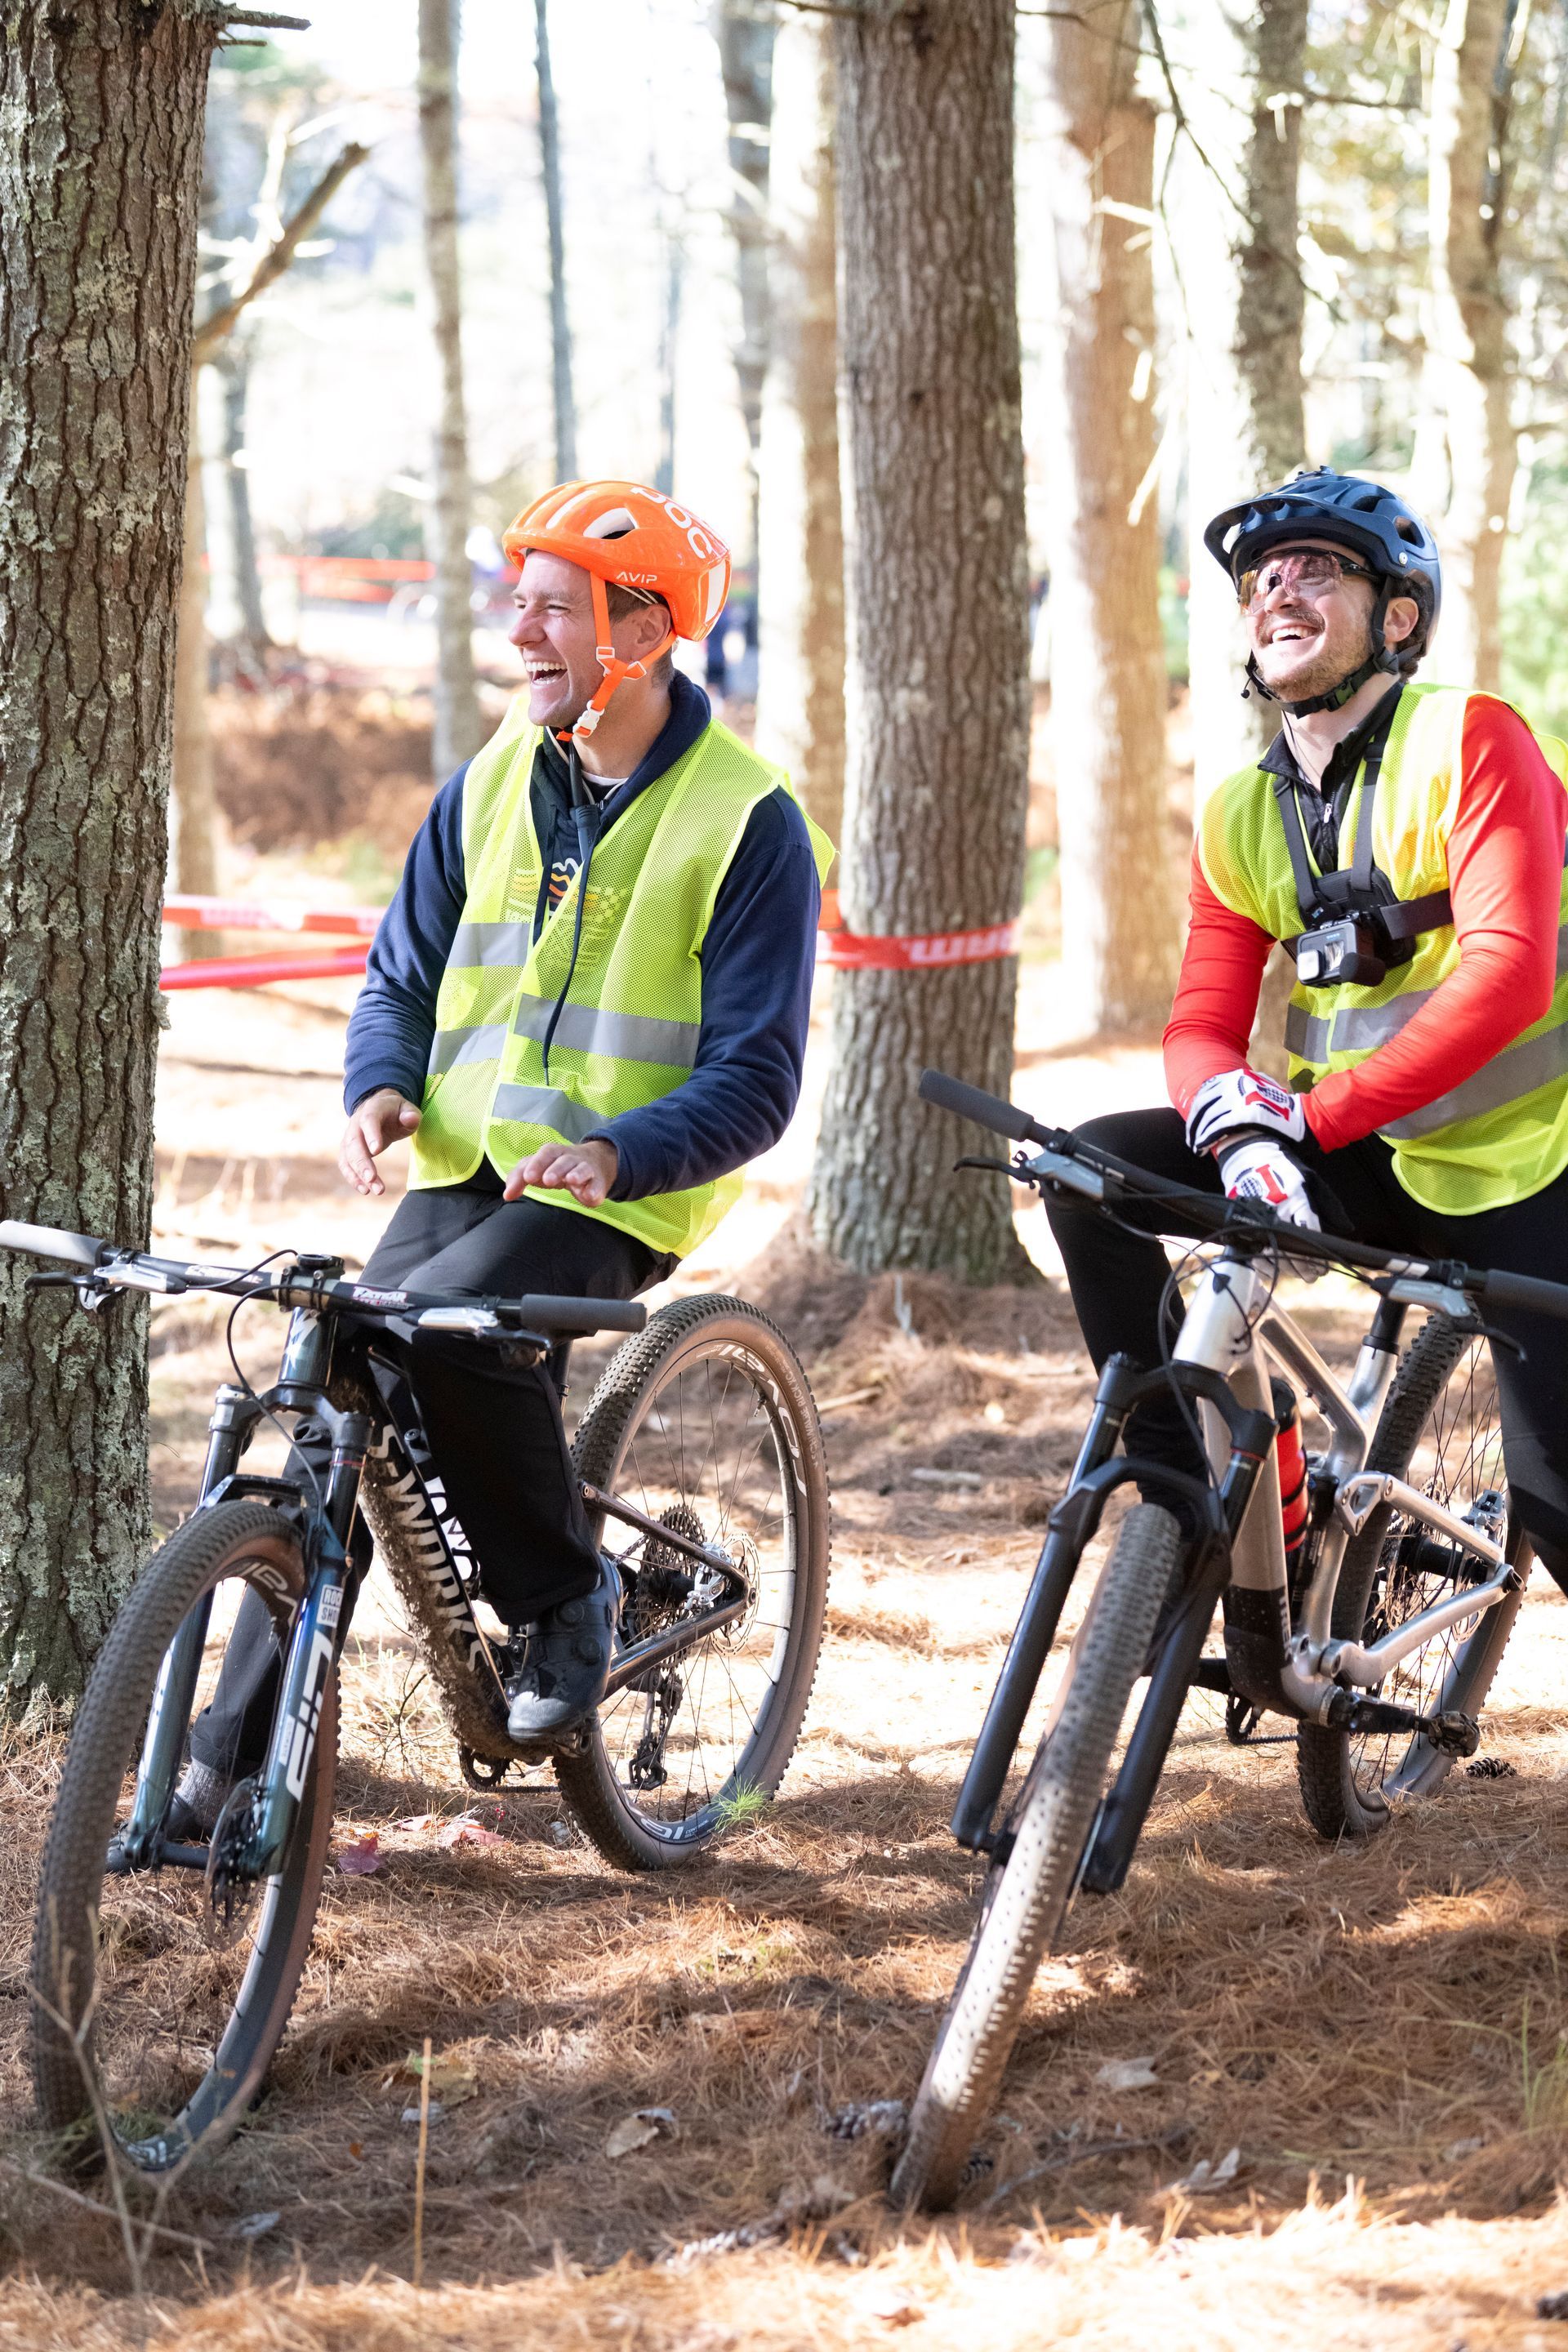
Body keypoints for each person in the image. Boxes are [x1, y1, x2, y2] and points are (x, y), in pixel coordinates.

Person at [180, 479, 831, 1821]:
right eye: (515, 604)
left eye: (553, 610)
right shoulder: (489, 780)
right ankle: (226, 1767)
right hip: (468, 1160)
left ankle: (562, 1595)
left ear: (640, 631)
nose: (518, 633)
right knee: (348, 1360)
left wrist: (615, 1153)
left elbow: (759, 1080)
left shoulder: (745, 818)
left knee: (458, 1332)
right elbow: (399, 978)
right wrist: (379, 1083)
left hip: (629, 1186)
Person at [1045, 465, 1568, 1592]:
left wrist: (1311, 1117)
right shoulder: (1242, 811)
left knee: (1562, 1503)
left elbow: (1513, 976)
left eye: (1316, 571)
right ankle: (1184, 1506)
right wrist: (1238, 1132)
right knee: (1086, 1169)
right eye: (1260, 581)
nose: (1279, 591)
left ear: (1397, 617)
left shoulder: (1473, 740)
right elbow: (1201, 1023)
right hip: (1359, 1155)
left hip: (1534, 1171)